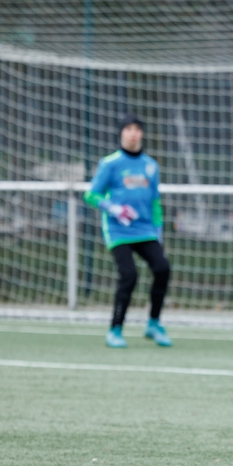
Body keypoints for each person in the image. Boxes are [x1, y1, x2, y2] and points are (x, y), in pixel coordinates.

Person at [85, 114, 173, 349]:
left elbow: (155, 201)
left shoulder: (151, 165)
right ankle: (115, 329)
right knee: (129, 275)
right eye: (128, 129)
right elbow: (91, 194)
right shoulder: (110, 163)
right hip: (119, 231)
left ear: (141, 134)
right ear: (121, 133)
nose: (133, 133)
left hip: (145, 230)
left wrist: (158, 231)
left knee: (162, 268)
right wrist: (113, 208)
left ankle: (153, 324)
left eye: (137, 129)